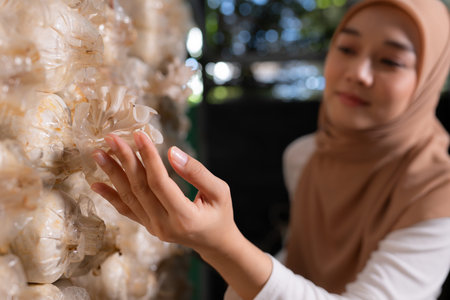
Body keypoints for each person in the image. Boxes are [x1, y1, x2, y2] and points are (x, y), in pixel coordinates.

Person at [90, 0, 450, 298]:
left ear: (429, 80)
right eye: (347, 48)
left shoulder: (439, 195)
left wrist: (222, 245)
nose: (359, 72)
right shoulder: (307, 157)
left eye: (390, 61)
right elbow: (296, 264)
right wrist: (214, 243)